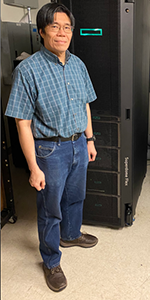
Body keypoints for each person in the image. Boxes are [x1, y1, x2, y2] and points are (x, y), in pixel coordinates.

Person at [5, 3, 98, 292]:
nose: (62, 32)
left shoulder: (78, 64)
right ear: (41, 30)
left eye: (67, 27)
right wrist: (33, 167)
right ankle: (50, 260)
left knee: (75, 197)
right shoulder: (28, 70)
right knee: (49, 209)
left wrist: (90, 139)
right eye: (55, 26)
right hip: (49, 151)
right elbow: (22, 123)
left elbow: (85, 104)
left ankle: (70, 235)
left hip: (78, 145)